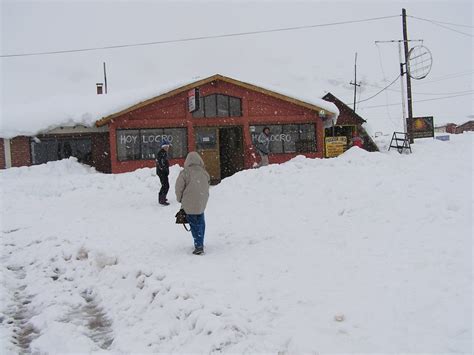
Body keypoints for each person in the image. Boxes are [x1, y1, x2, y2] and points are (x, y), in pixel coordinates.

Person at [175, 152, 210, 255]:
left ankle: (198, 246)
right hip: (201, 201)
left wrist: (179, 199)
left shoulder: (185, 173)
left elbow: (178, 188)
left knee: (193, 223)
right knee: (201, 222)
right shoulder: (204, 172)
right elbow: (207, 185)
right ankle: (200, 241)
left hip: (189, 202)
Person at [156, 139, 171, 206]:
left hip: (162, 172)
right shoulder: (161, 153)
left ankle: (161, 198)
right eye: (167, 147)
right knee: (166, 186)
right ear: (164, 147)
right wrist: (165, 170)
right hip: (162, 173)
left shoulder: (163, 153)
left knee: (164, 185)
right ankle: (162, 200)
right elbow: (161, 164)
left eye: (168, 147)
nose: (168, 148)